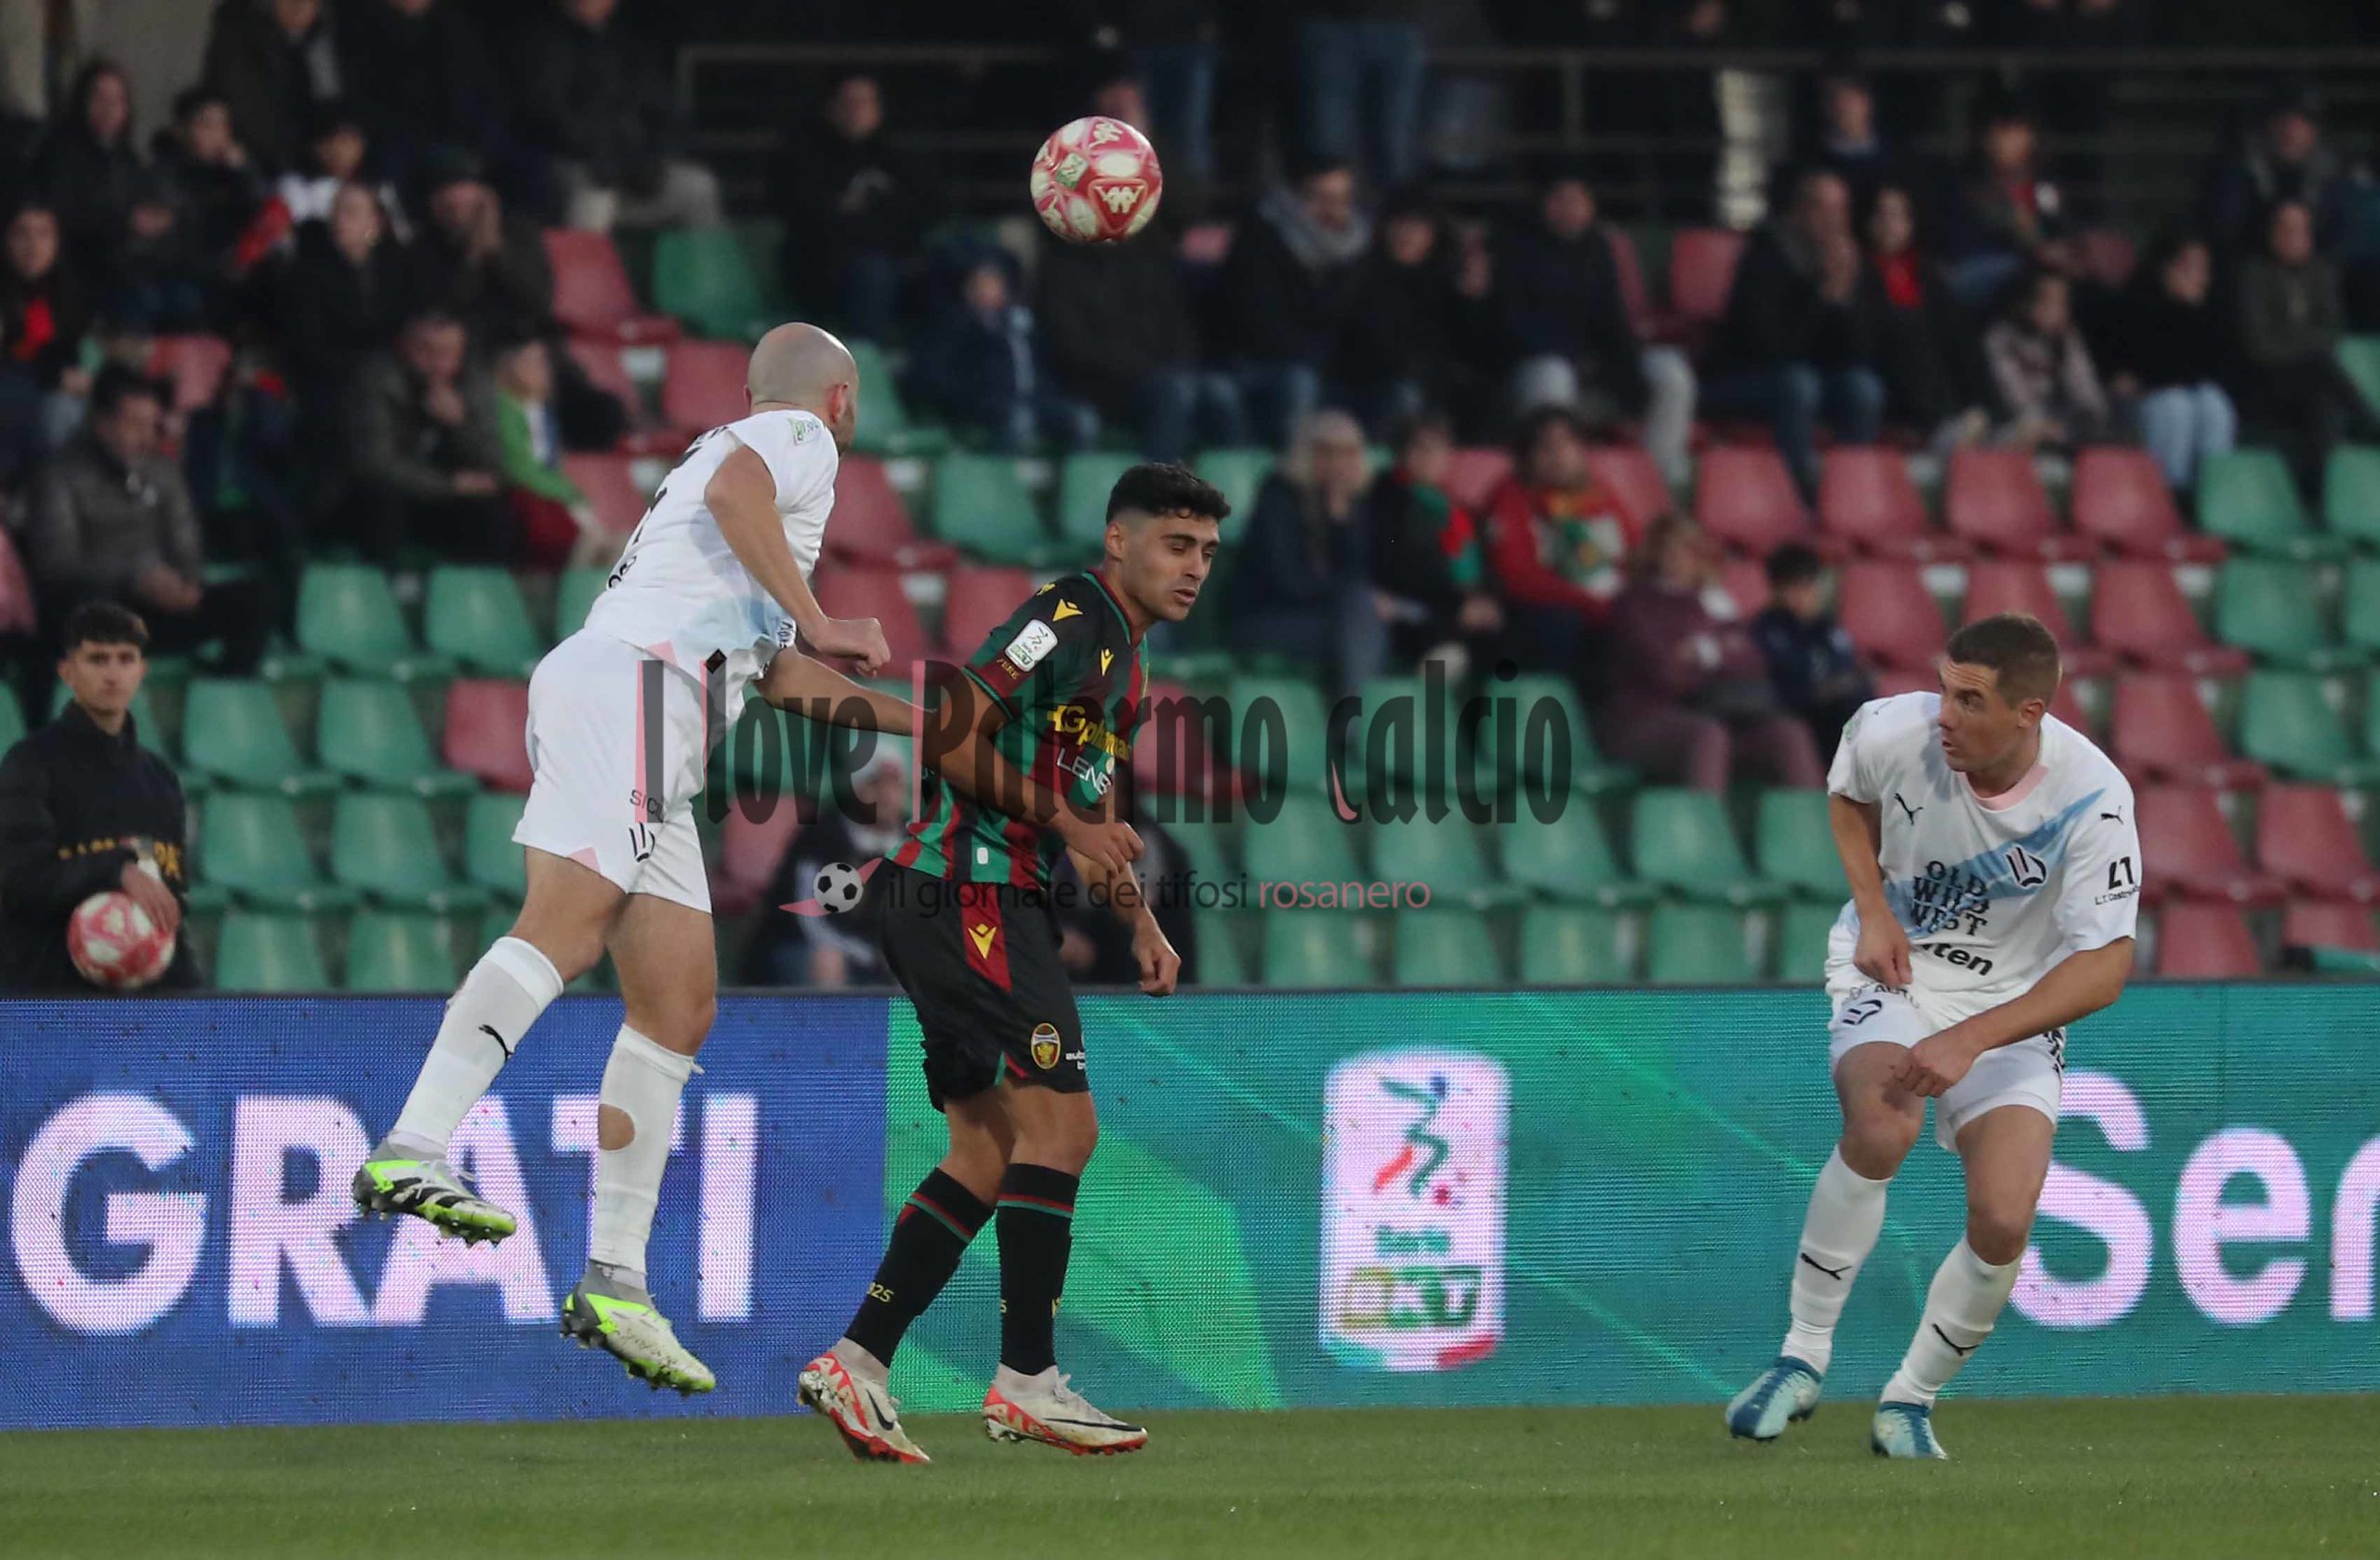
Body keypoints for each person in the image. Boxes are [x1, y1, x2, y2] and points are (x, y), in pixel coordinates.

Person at [350, 324, 893, 1395]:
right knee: (567, 920)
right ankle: (413, 1143)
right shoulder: (791, 444)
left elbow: (775, 674)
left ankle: (616, 1279)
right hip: (639, 695)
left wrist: (926, 722)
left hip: (644, 705)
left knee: (679, 1003)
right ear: (837, 399)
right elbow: (746, 502)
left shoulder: (733, 485)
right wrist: (826, 616)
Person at [796, 462, 1225, 1464]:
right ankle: (1027, 1378)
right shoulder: (1067, 613)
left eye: (1205, 549)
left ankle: (857, 1362)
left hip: (975, 902)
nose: (1194, 565)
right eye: (1175, 542)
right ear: (1117, 541)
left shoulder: (1126, 664)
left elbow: (1095, 819)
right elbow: (949, 731)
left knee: (988, 1151)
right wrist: (1065, 816)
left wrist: (1141, 925)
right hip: (967, 892)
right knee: (1063, 1126)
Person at [1726, 614, 2142, 1461]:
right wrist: (1875, 911)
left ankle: (1909, 1401)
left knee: (2002, 1217)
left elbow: (2102, 969)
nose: (1943, 712)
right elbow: (1847, 799)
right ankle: (1801, 1356)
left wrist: (1973, 1040)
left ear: (2027, 715)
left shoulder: (2095, 800)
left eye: (1970, 698)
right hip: (1898, 972)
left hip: (2011, 1007)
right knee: (1883, 1124)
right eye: (1944, 685)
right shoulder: (1892, 730)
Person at [0, 602, 197, 992]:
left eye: (125, 659)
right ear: (67, 672)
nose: (112, 674)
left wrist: (187, 989)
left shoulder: (159, 777)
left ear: (141, 672)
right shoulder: (30, 764)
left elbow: (168, 895)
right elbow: (19, 878)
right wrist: (115, 870)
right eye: (97, 659)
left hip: (145, 1002)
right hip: (47, 998)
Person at [29, 367, 271, 672]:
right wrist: (135, 577)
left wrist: (185, 583)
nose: (146, 437)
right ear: (102, 424)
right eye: (134, 424)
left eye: (152, 425)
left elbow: (187, 544)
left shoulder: (162, 472)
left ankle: (225, 689)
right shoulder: (59, 477)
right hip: (102, 607)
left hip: (160, 607)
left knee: (254, 598)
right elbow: (57, 564)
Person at [1600, 515, 1824, 794]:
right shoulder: (1632, 606)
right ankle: (1708, 833)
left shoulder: (1707, 603)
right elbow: (1668, 675)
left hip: (1714, 716)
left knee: (1788, 734)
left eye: (1688, 551)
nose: (1678, 561)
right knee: (1707, 736)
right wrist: (1718, 655)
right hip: (1641, 724)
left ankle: (1816, 834)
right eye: (1669, 551)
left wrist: (1705, 653)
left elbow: (1753, 661)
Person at [1498, 174, 1696, 483]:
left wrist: (1622, 361)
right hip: (1532, 378)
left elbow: (1612, 322)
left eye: (1578, 200)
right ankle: (1553, 480)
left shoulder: (1598, 249)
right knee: (1553, 371)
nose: (1568, 208)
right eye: (1559, 199)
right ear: (1543, 204)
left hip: (1595, 376)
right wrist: (1575, 359)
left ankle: (1654, 480)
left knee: (1670, 370)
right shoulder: (1513, 247)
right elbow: (1511, 330)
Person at [1703, 168, 1885, 501]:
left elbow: (1862, 354)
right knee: (1798, 383)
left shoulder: (1848, 260)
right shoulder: (1766, 255)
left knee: (1864, 388)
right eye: (1821, 207)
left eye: (1840, 209)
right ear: (1798, 210)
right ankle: (1802, 497)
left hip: (1813, 382)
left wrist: (1843, 302)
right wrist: (1822, 297)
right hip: (1745, 379)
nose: (1832, 219)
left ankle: (1850, 497)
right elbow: (1771, 348)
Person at [1036, 212, 1243, 462]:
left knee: (1221, 391)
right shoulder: (1059, 270)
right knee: (1175, 391)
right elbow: (1073, 350)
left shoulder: (1147, 264)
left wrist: (1172, 366)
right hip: (1102, 388)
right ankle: (1155, 489)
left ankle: (1231, 492)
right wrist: (1149, 370)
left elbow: (1178, 330)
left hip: (1160, 375)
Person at [518, 0, 722, 233]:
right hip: (580, 171)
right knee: (589, 191)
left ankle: (703, 270)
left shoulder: (627, 45)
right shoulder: (540, 43)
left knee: (697, 187)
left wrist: (652, 156)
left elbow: (663, 113)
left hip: (634, 172)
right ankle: (587, 269)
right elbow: (549, 119)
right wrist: (607, 156)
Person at [1226, 410, 1385, 697]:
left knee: (1366, 620)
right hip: (1263, 619)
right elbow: (1285, 580)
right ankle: (1354, 723)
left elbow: (1360, 573)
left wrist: (1341, 523)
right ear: (1307, 453)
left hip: (1325, 616)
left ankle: (1353, 721)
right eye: (1327, 452)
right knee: (1360, 625)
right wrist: (1344, 595)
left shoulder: (1352, 503)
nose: (1338, 464)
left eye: (1347, 454)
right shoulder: (1278, 493)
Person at [771, 73, 934, 345]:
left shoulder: (900, 152)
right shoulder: (804, 155)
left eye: (866, 102)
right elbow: (813, 220)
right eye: (850, 102)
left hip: (897, 257)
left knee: (953, 265)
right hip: (824, 268)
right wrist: (883, 217)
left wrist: (869, 212)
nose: (858, 110)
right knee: (872, 273)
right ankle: (866, 364)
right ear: (831, 107)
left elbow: (927, 210)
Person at [1480, 406, 1638, 686]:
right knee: (1561, 625)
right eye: (1546, 447)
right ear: (1526, 457)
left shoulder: (1599, 493)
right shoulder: (1511, 496)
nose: (1558, 456)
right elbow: (1518, 577)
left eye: (1567, 443)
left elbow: (1638, 553)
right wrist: (1589, 604)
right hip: (1545, 612)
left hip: (1608, 605)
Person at [2233, 197, 2380, 495]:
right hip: (2265, 383)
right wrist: (2307, 343)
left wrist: (2294, 341)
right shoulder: (2252, 275)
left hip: (2310, 384)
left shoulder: (2321, 273)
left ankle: (2321, 493)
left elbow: (2333, 331)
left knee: (2323, 406)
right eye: (2285, 229)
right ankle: (2368, 422)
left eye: (2300, 230)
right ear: (2270, 232)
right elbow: (2261, 346)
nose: (2293, 238)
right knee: (2319, 364)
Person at [734, 746, 910, 988]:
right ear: (858, 788)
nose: (888, 796)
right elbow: (809, 919)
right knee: (827, 959)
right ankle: (827, 1026)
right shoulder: (823, 836)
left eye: (896, 785)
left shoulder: (912, 843)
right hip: (799, 947)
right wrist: (868, 955)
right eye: (877, 784)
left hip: (875, 958)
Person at [1221, 157, 1366, 447]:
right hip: (1261, 366)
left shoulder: (1356, 248)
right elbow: (1257, 322)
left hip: (1330, 368)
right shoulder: (1260, 237)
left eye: (1341, 199)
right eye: (1321, 198)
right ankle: (1295, 479)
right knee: (1301, 382)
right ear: (1295, 198)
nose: (1332, 210)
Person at [346, 309, 509, 563]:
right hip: (389, 498)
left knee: (491, 510)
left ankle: (475, 596)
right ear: (404, 346)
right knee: (382, 502)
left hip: (442, 502)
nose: (439, 364)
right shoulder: (376, 380)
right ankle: (384, 592)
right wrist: (449, 485)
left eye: (449, 354)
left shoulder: (473, 383)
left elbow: (494, 465)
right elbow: (374, 464)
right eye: (427, 351)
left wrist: (459, 425)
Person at [908, 253, 1096, 454]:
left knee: (1083, 419)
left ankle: (1070, 478)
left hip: (1037, 398)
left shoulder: (1022, 323)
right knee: (1019, 422)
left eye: (993, 283)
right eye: (980, 284)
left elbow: (1046, 366)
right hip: (991, 401)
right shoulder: (958, 326)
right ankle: (1005, 481)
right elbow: (940, 375)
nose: (988, 290)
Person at [1331, 191, 1475, 438]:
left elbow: (1472, 342)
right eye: (1400, 224)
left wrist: (1473, 299)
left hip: (1435, 382)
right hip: (1368, 382)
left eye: (1417, 226)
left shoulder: (1449, 280)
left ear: (1433, 233)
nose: (1407, 234)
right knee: (1404, 393)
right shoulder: (1361, 274)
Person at [1367, 413, 1502, 674]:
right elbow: (1398, 566)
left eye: (1438, 448)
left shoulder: (1458, 510)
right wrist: (1459, 602)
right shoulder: (1388, 500)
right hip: (1413, 609)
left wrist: (1487, 599)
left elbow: (1488, 563)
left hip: (1461, 608)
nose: (1429, 456)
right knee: (1446, 645)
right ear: (1401, 454)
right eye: (1420, 447)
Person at [1863, 183, 1994, 452]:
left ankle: (1988, 416)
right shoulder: (1858, 270)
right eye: (1882, 215)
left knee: (1963, 335)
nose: (1890, 224)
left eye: (1899, 216)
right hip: (1884, 371)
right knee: (1908, 332)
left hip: (1933, 373)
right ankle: (1939, 426)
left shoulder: (1926, 272)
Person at [2101, 235, 2235, 493]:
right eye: (2188, 267)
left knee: (2214, 403)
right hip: (2141, 405)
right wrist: (2178, 311)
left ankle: (2214, 493)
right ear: (2165, 268)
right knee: (2175, 405)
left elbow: (2211, 368)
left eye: (2203, 269)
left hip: (2184, 395)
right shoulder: (2134, 303)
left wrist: (2190, 312)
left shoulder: (2209, 311)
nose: (2198, 277)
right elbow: (2152, 367)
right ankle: (2171, 495)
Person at [280, 180, 409, 422]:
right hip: (332, 384)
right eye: (335, 211)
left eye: (351, 212)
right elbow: (308, 346)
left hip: (390, 374)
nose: (339, 219)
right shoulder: (309, 272)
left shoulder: (395, 268)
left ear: (375, 223)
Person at [403, 151, 553, 345]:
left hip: (521, 340)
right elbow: (445, 312)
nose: (457, 207)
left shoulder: (519, 230)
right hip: (464, 347)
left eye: (465, 193)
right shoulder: (423, 245)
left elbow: (539, 300)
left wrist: (495, 248)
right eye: (448, 202)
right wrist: (474, 255)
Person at [1942, 92, 2070, 308]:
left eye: (2017, 132)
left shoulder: (2042, 186)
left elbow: (2055, 227)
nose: (2006, 140)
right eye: (2000, 131)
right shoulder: (1966, 182)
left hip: (2038, 269)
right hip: (1980, 269)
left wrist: (2038, 237)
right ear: (1983, 137)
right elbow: (1960, 242)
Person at [1750, 542, 1872, 764]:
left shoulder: (1827, 629)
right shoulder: (1766, 630)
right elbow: (1787, 679)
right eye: (1796, 587)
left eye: (1810, 585)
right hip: (1794, 709)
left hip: (1834, 705)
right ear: (1777, 589)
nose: (1806, 594)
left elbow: (1846, 665)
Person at [2203, 80, 2351, 258]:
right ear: (2266, 126)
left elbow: (2341, 241)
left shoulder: (2332, 174)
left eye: (2302, 122)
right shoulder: (2238, 169)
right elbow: (2223, 232)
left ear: (2315, 130)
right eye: (2284, 121)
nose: (2291, 131)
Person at [490, 333, 599, 567]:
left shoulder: (544, 411)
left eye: (542, 362)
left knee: (610, 543)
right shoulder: (505, 409)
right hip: (527, 497)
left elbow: (552, 463)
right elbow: (520, 467)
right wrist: (568, 493)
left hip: (551, 495)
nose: (540, 369)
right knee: (584, 540)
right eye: (530, 362)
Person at [201, 0, 344, 176]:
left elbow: (331, 105)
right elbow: (225, 97)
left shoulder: (325, 39)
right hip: (244, 159)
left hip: (306, 168)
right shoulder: (238, 33)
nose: (300, 7)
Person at [1983, 268, 2111, 454]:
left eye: (2064, 304)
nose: (2061, 311)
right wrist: (2042, 426)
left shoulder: (2066, 340)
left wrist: (2093, 419)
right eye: (2052, 303)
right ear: (2025, 303)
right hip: (2011, 425)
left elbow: (2086, 389)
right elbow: (2013, 396)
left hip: (2061, 424)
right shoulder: (2001, 340)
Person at [0, 202, 94, 451]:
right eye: (22, 234)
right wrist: (53, 377)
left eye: (43, 234)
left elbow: (69, 359)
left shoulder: (68, 293)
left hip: (45, 400)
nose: (33, 246)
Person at [32, 59, 142, 255]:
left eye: (117, 99)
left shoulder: (127, 158)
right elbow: (60, 214)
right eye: (99, 98)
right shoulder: (59, 149)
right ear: (82, 102)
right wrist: (125, 222)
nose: (109, 108)